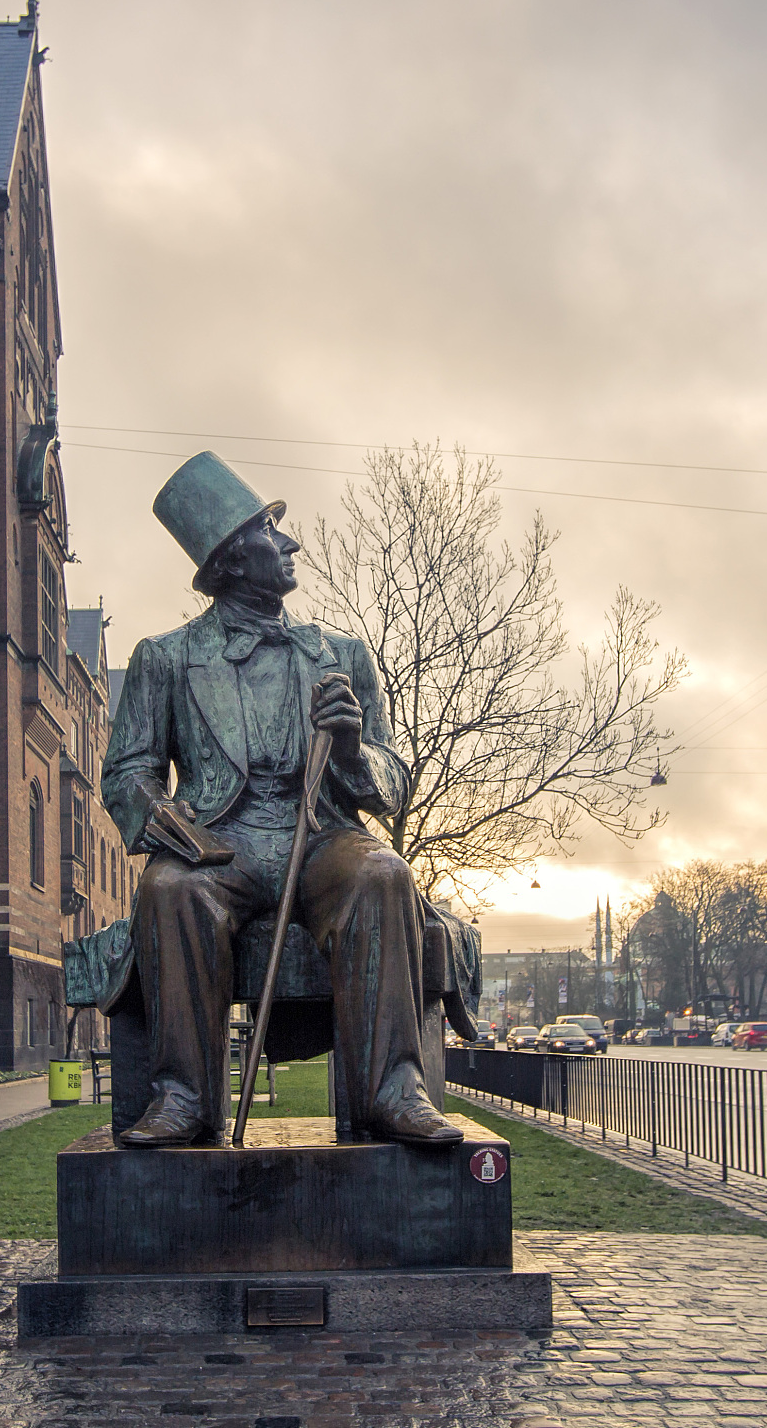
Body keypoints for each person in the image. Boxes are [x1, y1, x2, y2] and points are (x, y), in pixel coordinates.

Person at [99, 452, 460, 1148]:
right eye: (271, 530)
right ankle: (183, 1099)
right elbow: (127, 774)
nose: (289, 542)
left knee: (384, 873)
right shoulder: (165, 659)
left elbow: (392, 777)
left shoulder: (342, 654)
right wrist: (166, 821)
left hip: (322, 838)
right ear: (232, 559)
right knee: (170, 890)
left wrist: (352, 750)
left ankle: (395, 1092)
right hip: (218, 846)